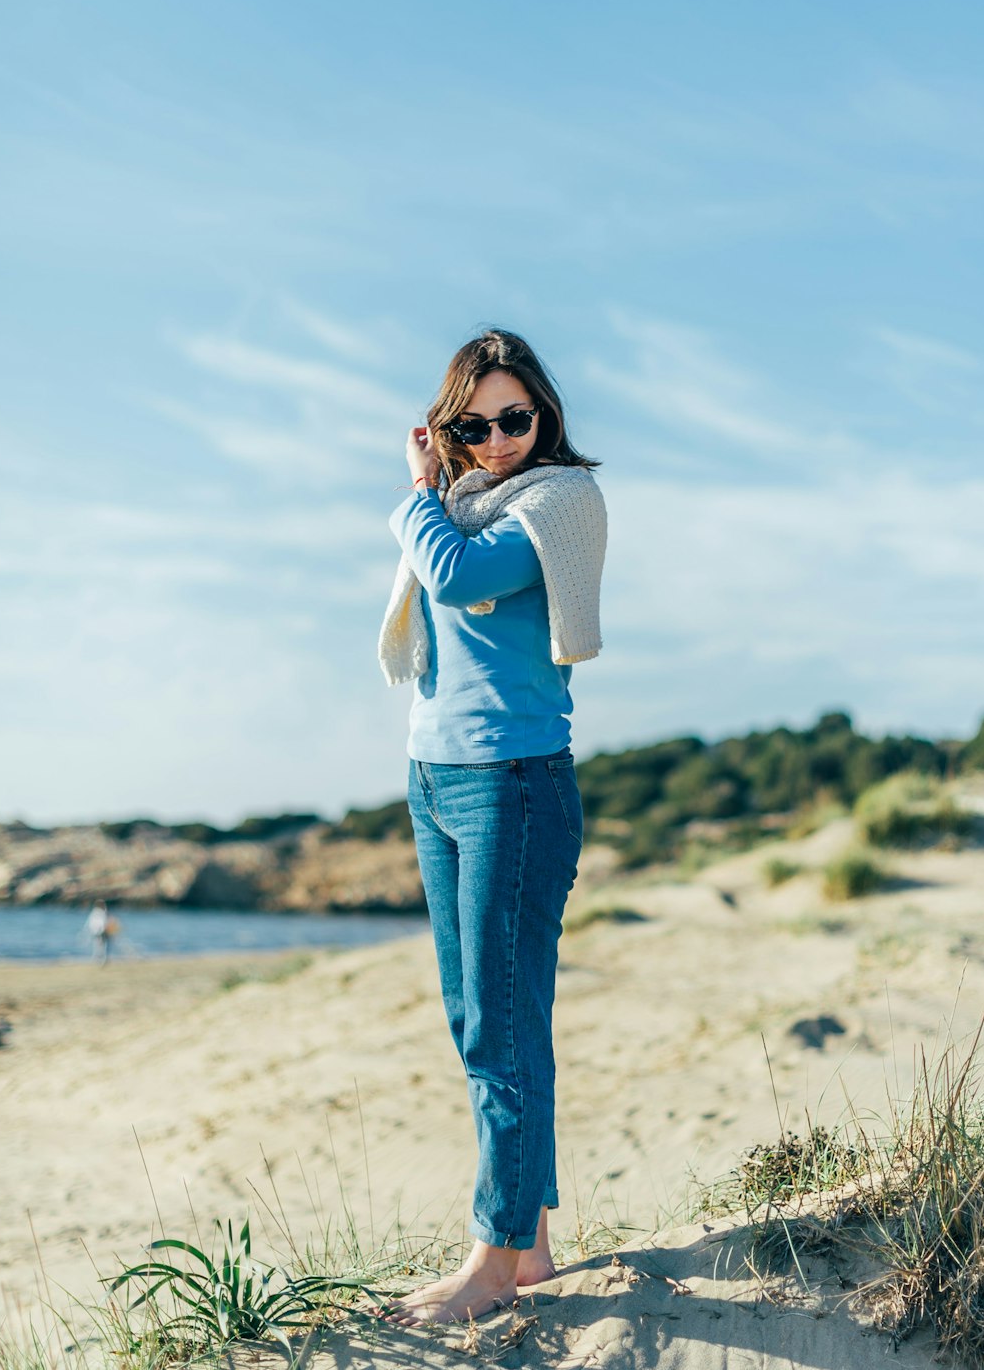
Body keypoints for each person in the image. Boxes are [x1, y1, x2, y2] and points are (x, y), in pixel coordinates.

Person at [378, 328, 607, 1325]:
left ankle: (490, 1259)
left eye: (516, 418)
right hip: (437, 777)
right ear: (454, 424)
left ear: (543, 414)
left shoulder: (557, 501)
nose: (501, 437)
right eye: (478, 423)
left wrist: (413, 495)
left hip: (513, 784)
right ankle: (533, 1249)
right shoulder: (463, 507)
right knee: (485, 1020)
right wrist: (438, 494)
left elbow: (460, 579)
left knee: (499, 1030)